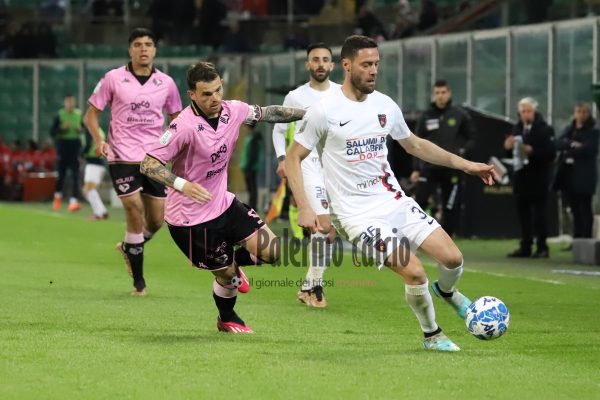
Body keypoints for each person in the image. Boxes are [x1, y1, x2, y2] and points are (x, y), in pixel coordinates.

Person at [286, 35, 498, 351]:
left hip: (393, 201)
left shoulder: (384, 104)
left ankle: (447, 292)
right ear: (347, 65)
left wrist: (467, 165)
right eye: (366, 64)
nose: (373, 70)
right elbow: (294, 157)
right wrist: (305, 207)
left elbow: (415, 145)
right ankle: (432, 335)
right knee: (414, 272)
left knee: (453, 259)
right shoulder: (323, 110)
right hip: (356, 215)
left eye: (376, 64)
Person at [140, 61, 305, 333]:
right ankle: (227, 318)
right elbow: (148, 164)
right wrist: (182, 184)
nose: (215, 98)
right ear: (192, 94)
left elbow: (269, 112)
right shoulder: (183, 126)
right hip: (190, 220)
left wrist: (309, 115)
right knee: (227, 276)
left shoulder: (234, 110)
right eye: (207, 94)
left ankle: (233, 263)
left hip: (223, 204)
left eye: (218, 90)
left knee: (273, 251)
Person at [83, 27, 182, 296]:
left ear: (155, 50)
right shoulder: (113, 78)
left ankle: (129, 246)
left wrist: (174, 147)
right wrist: (99, 140)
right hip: (121, 155)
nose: (143, 49)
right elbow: (90, 115)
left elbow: (177, 119)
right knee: (133, 209)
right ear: (130, 50)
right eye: (137, 44)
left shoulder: (167, 83)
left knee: (157, 220)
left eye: (148, 44)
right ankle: (139, 283)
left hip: (154, 157)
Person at [272, 42, 340, 308]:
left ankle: (307, 286)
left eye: (325, 59)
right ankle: (316, 288)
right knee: (322, 226)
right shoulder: (295, 96)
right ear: (308, 64)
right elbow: (279, 130)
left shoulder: (342, 94)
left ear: (332, 65)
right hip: (307, 164)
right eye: (315, 59)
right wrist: (282, 159)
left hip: (335, 166)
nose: (320, 64)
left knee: (330, 232)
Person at [410, 79, 475, 237]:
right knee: (420, 201)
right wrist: (416, 168)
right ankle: (414, 235)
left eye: (443, 92)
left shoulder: (460, 115)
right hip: (429, 166)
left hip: (451, 168)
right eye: (437, 93)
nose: (440, 96)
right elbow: (415, 143)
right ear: (433, 94)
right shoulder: (426, 116)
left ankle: (447, 238)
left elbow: (472, 138)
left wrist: (462, 150)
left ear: (449, 93)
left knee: (450, 206)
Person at [504, 97, 556, 258]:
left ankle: (542, 246)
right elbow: (511, 155)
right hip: (521, 177)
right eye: (523, 111)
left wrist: (533, 151)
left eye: (528, 111)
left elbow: (551, 153)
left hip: (538, 177)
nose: (526, 114)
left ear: (534, 112)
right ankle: (525, 246)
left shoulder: (545, 129)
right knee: (523, 214)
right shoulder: (516, 128)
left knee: (539, 214)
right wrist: (508, 147)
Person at [555, 103, 599, 239]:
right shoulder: (569, 129)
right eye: (578, 112)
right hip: (569, 175)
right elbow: (557, 143)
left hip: (585, 176)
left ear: (588, 114)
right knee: (574, 208)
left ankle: (586, 238)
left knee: (585, 208)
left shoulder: (593, 131)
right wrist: (572, 144)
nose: (581, 115)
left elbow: (589, 149)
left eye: (584, 112)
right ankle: (577, 238)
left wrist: (569, 151)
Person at [51, 95, 84, 212]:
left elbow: (84, 129)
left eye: (72, 102)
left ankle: (73, 201)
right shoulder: (60, 114)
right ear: (65, 103)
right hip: (63, 146)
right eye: (68, 102)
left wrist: (80, 130)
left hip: (75, 146)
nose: (70, 104)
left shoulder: (79, 114)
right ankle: (57, 197)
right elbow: (52, 132)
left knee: (75, 175)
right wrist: (62, 128)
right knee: (61, 175)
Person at [82, 126, 109, 220]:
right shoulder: (100, 130)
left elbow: (88, 143)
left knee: (88, 190)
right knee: (88, 190)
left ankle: (99, 213)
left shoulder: (91, 129)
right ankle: (102, 211)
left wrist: (81, 154)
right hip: (99, 163)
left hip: (93, 163)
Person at [239, 129, 264, 211]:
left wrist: (247, 166)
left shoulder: (253, 139)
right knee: (252, 187)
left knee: (252, 188)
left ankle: (253, 205)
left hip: (250, 168)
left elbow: (251, 155)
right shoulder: (252, 138)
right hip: (251, 167)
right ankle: (252, 205)